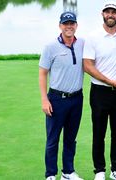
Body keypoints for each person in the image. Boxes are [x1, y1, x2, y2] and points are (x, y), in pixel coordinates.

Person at [82, 1, 116, 180]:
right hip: (100, 92)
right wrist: (110, 81)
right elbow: (88, 65)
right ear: (102, 14)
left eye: (114, 12)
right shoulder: (93, 36)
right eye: (107, 12)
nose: (111, 15)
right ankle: (100, 171)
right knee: (99, 133)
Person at [39, 11, 84, 180]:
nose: (69, 26)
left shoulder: (82, 44)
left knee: (71, 138)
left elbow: (102, 39)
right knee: (52, 140)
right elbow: (43, 73)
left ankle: (68, 172)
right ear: (60, 26)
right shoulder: (50, 47)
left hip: (77, 99)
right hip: (56, 99)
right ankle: (51, 174)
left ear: (76, 26)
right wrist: (44, 99)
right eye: (66, 23)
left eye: (72, 23)